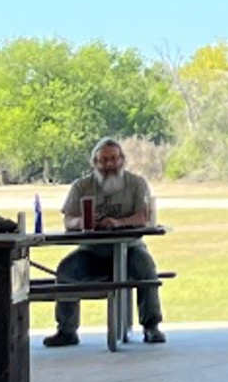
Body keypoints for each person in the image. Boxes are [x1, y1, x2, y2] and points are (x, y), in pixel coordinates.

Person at [48, 137, 164, 347]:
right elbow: (68, 218)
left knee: (146, 269)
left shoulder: (137, 184)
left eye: (113, 159)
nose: (109, 164)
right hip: (92, 252)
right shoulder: (81, 186)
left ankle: (151, 326)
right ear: (95, 163)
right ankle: (67, 330)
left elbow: (143, 216)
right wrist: (83, 222)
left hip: (130, 249)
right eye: (103, 160)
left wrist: (119, 222)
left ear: (122, 160)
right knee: (65, 270)